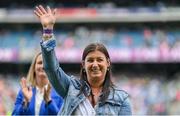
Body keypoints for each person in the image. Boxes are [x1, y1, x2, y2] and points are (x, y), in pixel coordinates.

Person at [34, 5, 132, 115]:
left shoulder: (122, 99)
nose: (95, 64)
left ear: (108, 63)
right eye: (90, 60)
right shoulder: (70, 87)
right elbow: (51, 69)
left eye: (99, 60)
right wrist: (48, 31)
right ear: (83, 65)